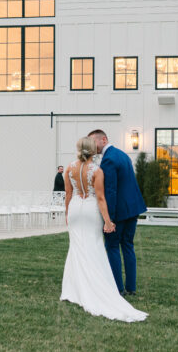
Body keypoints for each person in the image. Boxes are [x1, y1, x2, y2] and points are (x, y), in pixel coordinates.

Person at [60, 136, 146, 323]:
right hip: (91, 211)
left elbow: (68, 193)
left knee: (76, 248)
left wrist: (67, 213)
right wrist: (108, 221)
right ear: (92, 150)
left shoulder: (69, 168)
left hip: (75, 209)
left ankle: (73, 288)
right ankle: (103, 286)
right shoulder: (97, 171)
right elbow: (101, 198)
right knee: (95, 247)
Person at [89, 129, 147, 296]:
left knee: (113, 246)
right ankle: (131, 288)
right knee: (128, 246)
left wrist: (109, 219)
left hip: (119, 212)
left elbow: (111, 191)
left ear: (104, 139)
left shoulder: (108, 160)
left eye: (94, 142)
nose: (93, 146)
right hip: (133, 208)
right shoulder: (122, 154)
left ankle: (117, 289)